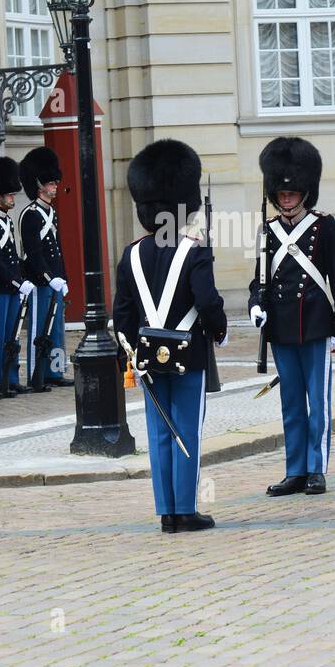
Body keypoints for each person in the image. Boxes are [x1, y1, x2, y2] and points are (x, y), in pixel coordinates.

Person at [113, 138, 227, 532]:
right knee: (187, 430)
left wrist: (134, 351)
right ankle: (185, 509)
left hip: (146, 355)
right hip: (189, 354)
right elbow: (208, 302)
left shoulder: (130, 254)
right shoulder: (195, 251)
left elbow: (122, 315)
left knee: (160, 432)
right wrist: (220, 331)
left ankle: (166, 512)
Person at [248, 137, 335, 497]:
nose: (287, 198)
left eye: (292, 193)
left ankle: (316, 468)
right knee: (291, 401)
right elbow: (257, 280)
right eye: (281, 193)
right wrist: (255, 306)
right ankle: (295, 469)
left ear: (305, 192)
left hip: (315, 324)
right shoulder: (268, 232)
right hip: (281, 328)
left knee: (317, 403)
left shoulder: (325, 227)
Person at [18, 146, 70, 389]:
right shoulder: (30, 214)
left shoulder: (52, 212)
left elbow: (57, 249)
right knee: (40, 329)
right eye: (50, 182)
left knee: (57, 329)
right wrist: (49, 278)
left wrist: (63, 277)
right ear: (39, 185)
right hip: (40, 281)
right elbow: (33, 252)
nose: (55, 185)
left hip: (54, 280)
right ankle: (36, 373)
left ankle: (56, 371)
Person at [0, 156, 34, 397]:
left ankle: (10, 376)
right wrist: (16, 281)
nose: (13, 198)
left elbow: (12, 257)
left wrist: (21, 279)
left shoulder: (6, 221)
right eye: (9, 195)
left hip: (11, 288)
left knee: (12, 336)